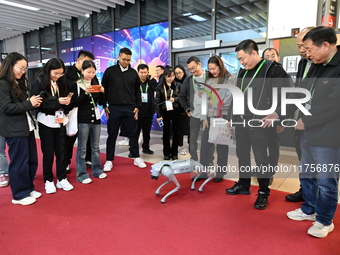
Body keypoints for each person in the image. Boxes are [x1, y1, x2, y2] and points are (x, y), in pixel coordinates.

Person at [281, 26, 340, 238]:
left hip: (329, 136)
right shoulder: (315, 64)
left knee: (326, 181)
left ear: (325, 45)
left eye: (309, 48)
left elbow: (334, 103)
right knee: (307, 174)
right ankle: (309, 209)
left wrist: (307, 119)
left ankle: (325, 220)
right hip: (307, 132)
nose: (307, 53)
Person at [225, 39, 290, 210]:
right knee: (242, 154)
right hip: (242, 121)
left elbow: (286, 95)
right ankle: (244, 184)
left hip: (261, 123)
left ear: (253, 53)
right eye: (239, 59)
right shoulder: (243, 72)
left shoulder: (273, 69)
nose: (241, 62)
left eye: (242, 58)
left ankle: (263, 192)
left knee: (261, 158)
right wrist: (232, 118)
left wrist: (277, 114)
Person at [0, 52, 42, 205]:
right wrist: (29, 104)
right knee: (19, 162)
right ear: (10, 65)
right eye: (21, 68)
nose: (23, 72)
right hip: (14, 129)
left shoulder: (17, 82)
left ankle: (28, 187)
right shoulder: (2, 83)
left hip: (26, 127)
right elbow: (6, 107)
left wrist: (31, 103)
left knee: (31, 160)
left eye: (24, 69)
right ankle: (19, 195)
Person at [31, 58, 74, 194]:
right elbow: (39, 104)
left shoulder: (61, 82)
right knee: (48, 153)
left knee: (62, 152)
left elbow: (65, 100)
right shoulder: (39, 82)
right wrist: (57, 101)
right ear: (48, 70)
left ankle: (62, 178)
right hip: (46, 121)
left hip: (60, 120)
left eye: (60, 74)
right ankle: (48, 180)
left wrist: (67, 101)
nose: (58, 76)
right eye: (55, 73)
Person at [102, 47, 146, 171]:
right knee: (112, 135)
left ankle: (136, 157)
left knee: (133, 134)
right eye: (124, 59)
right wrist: (104, 105)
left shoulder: (133, 73)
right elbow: (103, 90)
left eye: (128, 60)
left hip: (130, 108)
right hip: (114, 108)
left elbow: (138, 91)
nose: (126, 62)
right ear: (119, 57)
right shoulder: (110, 71)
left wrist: (138, 106)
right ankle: (109, 160)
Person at [285, 27, 315, 203]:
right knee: (304, 158)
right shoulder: (302, 62)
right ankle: (305, 191)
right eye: (298, 46)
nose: (302, 50)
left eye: (305, 46)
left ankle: (316, 198)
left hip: (320, 120)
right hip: (302, 117)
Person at [69, 60, 107, 184]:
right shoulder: (76, 84)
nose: (91, 75)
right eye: (88, 72)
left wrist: (102, 92)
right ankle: (82, 174)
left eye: (93, 72)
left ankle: (97, 170)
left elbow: (100, 102)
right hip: (83, 119)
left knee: (95, 146)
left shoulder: (96, 82)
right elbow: (74, 103)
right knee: (82, 147)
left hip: (95, 118)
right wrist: (85, 94)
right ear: (82, 71)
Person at [200, 56, 234, 183]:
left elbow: (227, 101)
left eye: (214, 68)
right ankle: (203, 170)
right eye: (210, 69)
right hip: (208, 117)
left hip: (222, 116)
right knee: (205, 144)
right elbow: (204, 100)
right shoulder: (209, 80)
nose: (212, 71)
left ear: (220, 66)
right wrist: (204, 118)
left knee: (221, 144)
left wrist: (211, 103)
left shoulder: (229, 80)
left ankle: (220, 171)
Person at [65, 50, 97, 172]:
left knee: (88, 138)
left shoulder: (92, 78)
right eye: (86, 63)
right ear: (79, 61)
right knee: (70, 138)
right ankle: (66, 162)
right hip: (73, 111)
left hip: (88, 111)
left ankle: (88, 159)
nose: (89, 69)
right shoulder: (68, 74)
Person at [262, 47, 284, 185]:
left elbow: (286, 99)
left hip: (276, 117)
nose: (269, 58)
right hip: (262, 117)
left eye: (272, 55)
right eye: (266, 56)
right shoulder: (262, 75)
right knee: (261, 147)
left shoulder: (283, 75)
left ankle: (270, 173)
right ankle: (263, 170)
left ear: (278, 58)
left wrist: (281, 120)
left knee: (273, 146)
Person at [155, 67, 181, 160]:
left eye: (173, 76)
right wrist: (158, 115)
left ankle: (174, 153)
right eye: (169, 76)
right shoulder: (160, 87)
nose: (171, 78)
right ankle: (166, 153)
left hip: (176, 110)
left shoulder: (178, 85)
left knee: (176, 132)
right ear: (165, 76)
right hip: (164, 111)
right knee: (166, 132)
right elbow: (157, 102)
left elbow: (182, 97)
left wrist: (175, 99)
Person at [136, 64, 157, 155]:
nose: (144, 74)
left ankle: (146, 147)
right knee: (135, 132)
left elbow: (158, 88)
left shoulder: (151, 83)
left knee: (146, 132)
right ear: (138, 72)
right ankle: (133, 149)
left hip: (148, 111)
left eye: (145, 72)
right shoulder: (135, 83)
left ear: (148, 72)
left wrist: (152, 81)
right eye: (142, 72)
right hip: (137, 111)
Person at [174, 65, 189, 156]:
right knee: (179, 129)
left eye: (180, 72)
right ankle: (180, 146)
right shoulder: (174, 83)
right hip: (178, 109)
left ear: (183, 72)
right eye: (176, 73)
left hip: (188, 108)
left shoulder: (188, 81)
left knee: (189, 128)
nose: (178, 75)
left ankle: (191, 146)